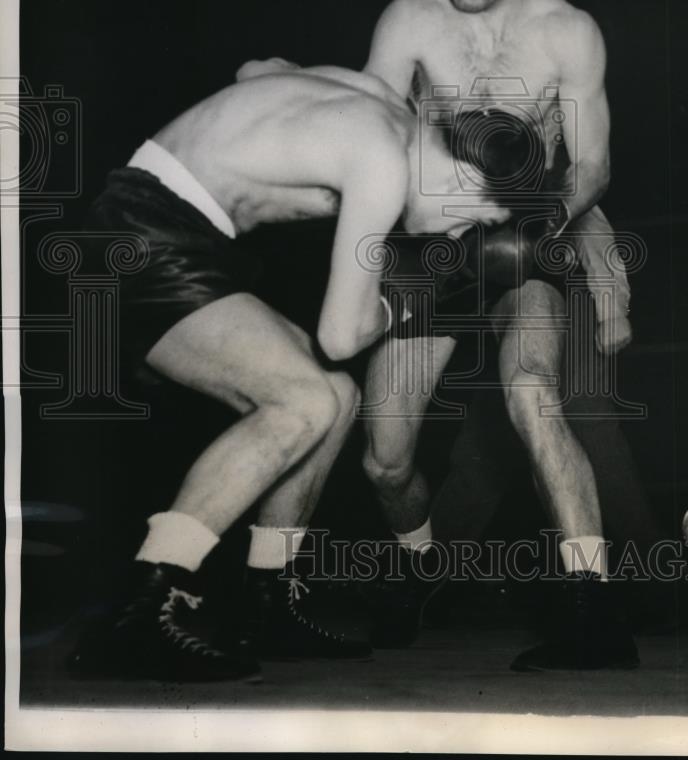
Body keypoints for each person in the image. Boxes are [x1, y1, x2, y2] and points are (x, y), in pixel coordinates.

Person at [69, 59, 511, 683]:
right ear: (464, 174)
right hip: (143, 236)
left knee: (337, 396)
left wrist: (245, 141)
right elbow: (339, 334)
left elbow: (259, 69)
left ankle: (265, 600)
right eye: (473, 217)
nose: (458, 233)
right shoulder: (383, 161)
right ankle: (138, 610)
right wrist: (417, 296)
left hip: (176, 230)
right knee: (304, 400)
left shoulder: (378, 100)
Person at [359, 0, 641, 670]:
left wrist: (546, 218)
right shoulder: (407, 19)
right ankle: (418, 570)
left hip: (527, 245)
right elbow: (368, 127)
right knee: (385, 459)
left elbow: (592, 164)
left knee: (531, 393)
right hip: (430, 249)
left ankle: (595, 609)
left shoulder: (567, 31)